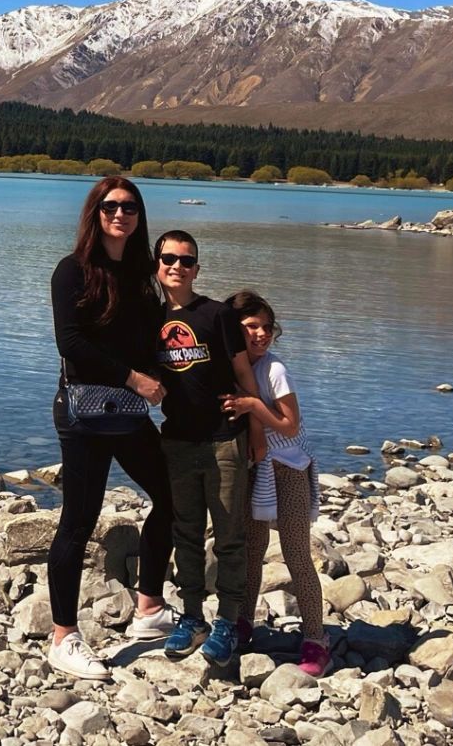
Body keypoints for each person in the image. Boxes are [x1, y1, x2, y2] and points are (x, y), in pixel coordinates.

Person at [46, 177, 178, 681]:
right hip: (83, 415)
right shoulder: (73, 271)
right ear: (94, 213)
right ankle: (64, 637)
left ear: (140, 216)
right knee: (78, 522)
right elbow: (70, 342)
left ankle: (148, 608)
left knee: (171, 496)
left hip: (127, 413)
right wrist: (134, 379)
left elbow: (156, 340)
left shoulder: (144, 276)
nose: (119, 214)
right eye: (110, 206)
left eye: (129, 207)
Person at [153, 230, 264, 667]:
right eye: (168, 258)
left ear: (197, 269)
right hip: (177, 442)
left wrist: (256, 429)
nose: (177, 266)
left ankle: (228, 622)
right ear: (157, 265)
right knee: (187, 534)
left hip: (223, 441)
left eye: (186, 260)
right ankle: (192, 616)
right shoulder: (150, 319)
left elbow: (244, 374)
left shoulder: (216, 315)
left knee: (230, 538)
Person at [223, 290, 330, 676]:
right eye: (252, 326)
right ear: (235, 330)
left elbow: (290, 425)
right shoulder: (229, 367)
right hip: (254, 468)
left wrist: (253, 405)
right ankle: (243, 623)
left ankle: (316, 637)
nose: (262, 334)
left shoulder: (274, 370)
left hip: (289, 467)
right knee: (252, 549)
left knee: (297, 552)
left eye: (267, 327)